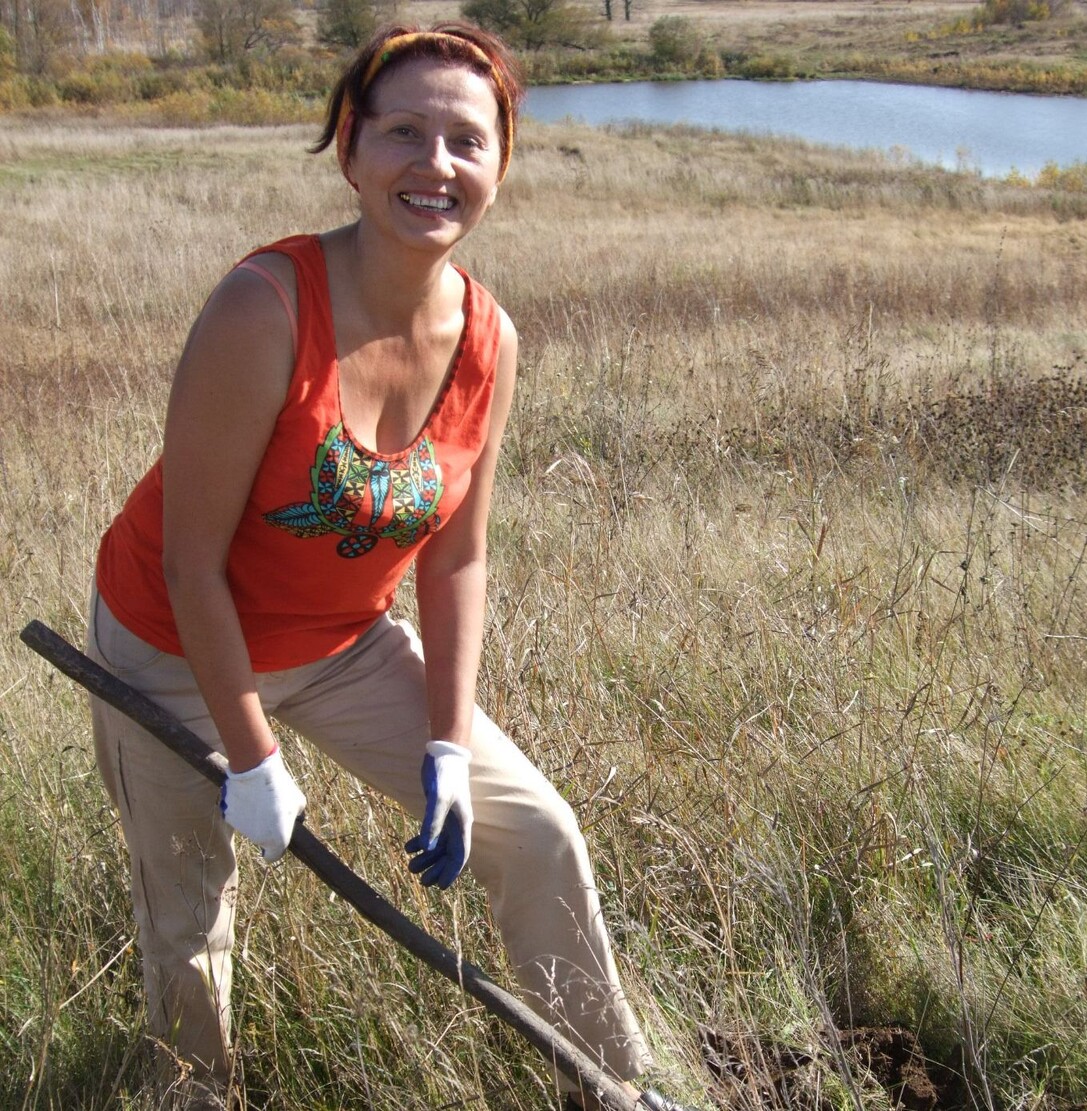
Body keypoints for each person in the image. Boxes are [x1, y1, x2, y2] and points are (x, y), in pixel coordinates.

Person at [85, 22, 695, 1111]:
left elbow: (457, 556)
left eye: (467, 139)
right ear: (351, 149)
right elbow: (189, 561)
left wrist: (449, 750)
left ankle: (610, 1084)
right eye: (405, 133)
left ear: (501, 164)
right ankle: (194, 1096)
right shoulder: (263, 308)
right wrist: (254, 759)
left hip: (343, 644)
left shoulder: (490, 341)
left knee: (538, 829)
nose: (436, 165)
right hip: (175, 648)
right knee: (189, 915)